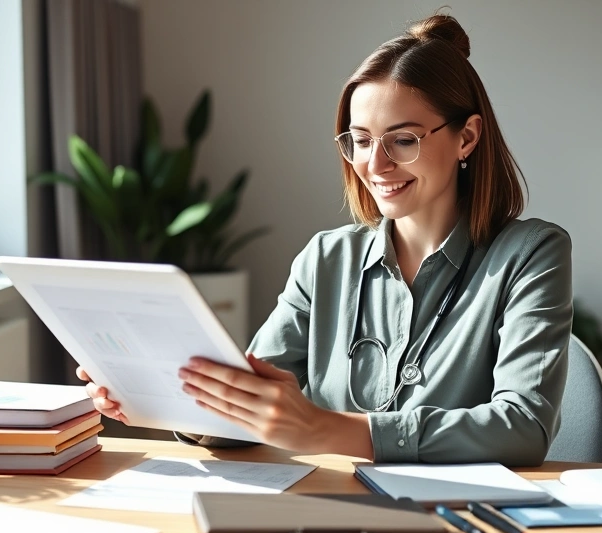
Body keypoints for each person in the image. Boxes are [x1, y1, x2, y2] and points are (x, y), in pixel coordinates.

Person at [81, 12, 572, 465]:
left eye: (403, 140)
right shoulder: (326, 258)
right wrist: (166, 396)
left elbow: (524, 428)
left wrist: (325, 430)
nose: (374, 166)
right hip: (329, 506)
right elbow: (259, 411)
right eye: (360, 140)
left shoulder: (532, 254)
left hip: (463, 522)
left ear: (466, 137)